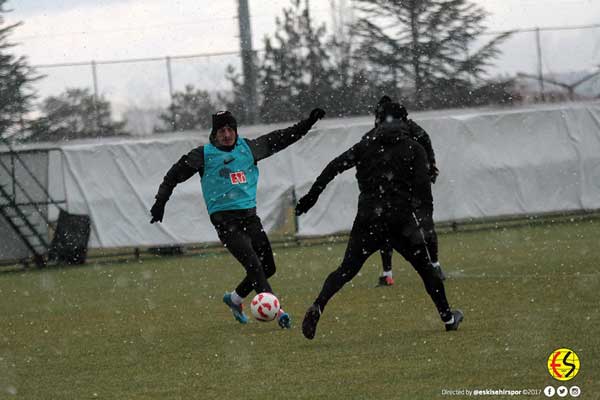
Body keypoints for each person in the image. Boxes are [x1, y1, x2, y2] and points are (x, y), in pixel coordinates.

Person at [295, 101, 462, 340]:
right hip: (401, 221)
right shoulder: (414, 148)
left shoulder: (365, 145)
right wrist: (423, 225)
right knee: (427, 271)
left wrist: (311, 197)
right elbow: (424, 195)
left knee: (345, 270)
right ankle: (447, 317)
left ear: (377, 121)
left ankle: (319, 304)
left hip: (368, 218)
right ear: (405, 121)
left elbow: (333, 167)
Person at [150, 107, 326, 329]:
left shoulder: (249, 149)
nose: (226, 134)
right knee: (253, 264)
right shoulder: (203, 155)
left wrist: (307, 123)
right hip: (225, 222)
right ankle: (278, 311)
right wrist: (160, 202)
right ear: (214, 134)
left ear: (235, 130)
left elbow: (282, 138)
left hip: (250, 219)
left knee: (268, 267)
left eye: (229, 129)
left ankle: (234, 299)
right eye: (221, 130)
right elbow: (172, 176)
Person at [364, 95, 445, 287]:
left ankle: (388, 273)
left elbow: (367, 154)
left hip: (393, 188)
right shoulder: (410, 128)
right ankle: (435, 266)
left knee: (385, 228)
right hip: (411, 186)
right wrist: (430, 166)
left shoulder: (377, 133)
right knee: (424, 223)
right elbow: (425, 139)